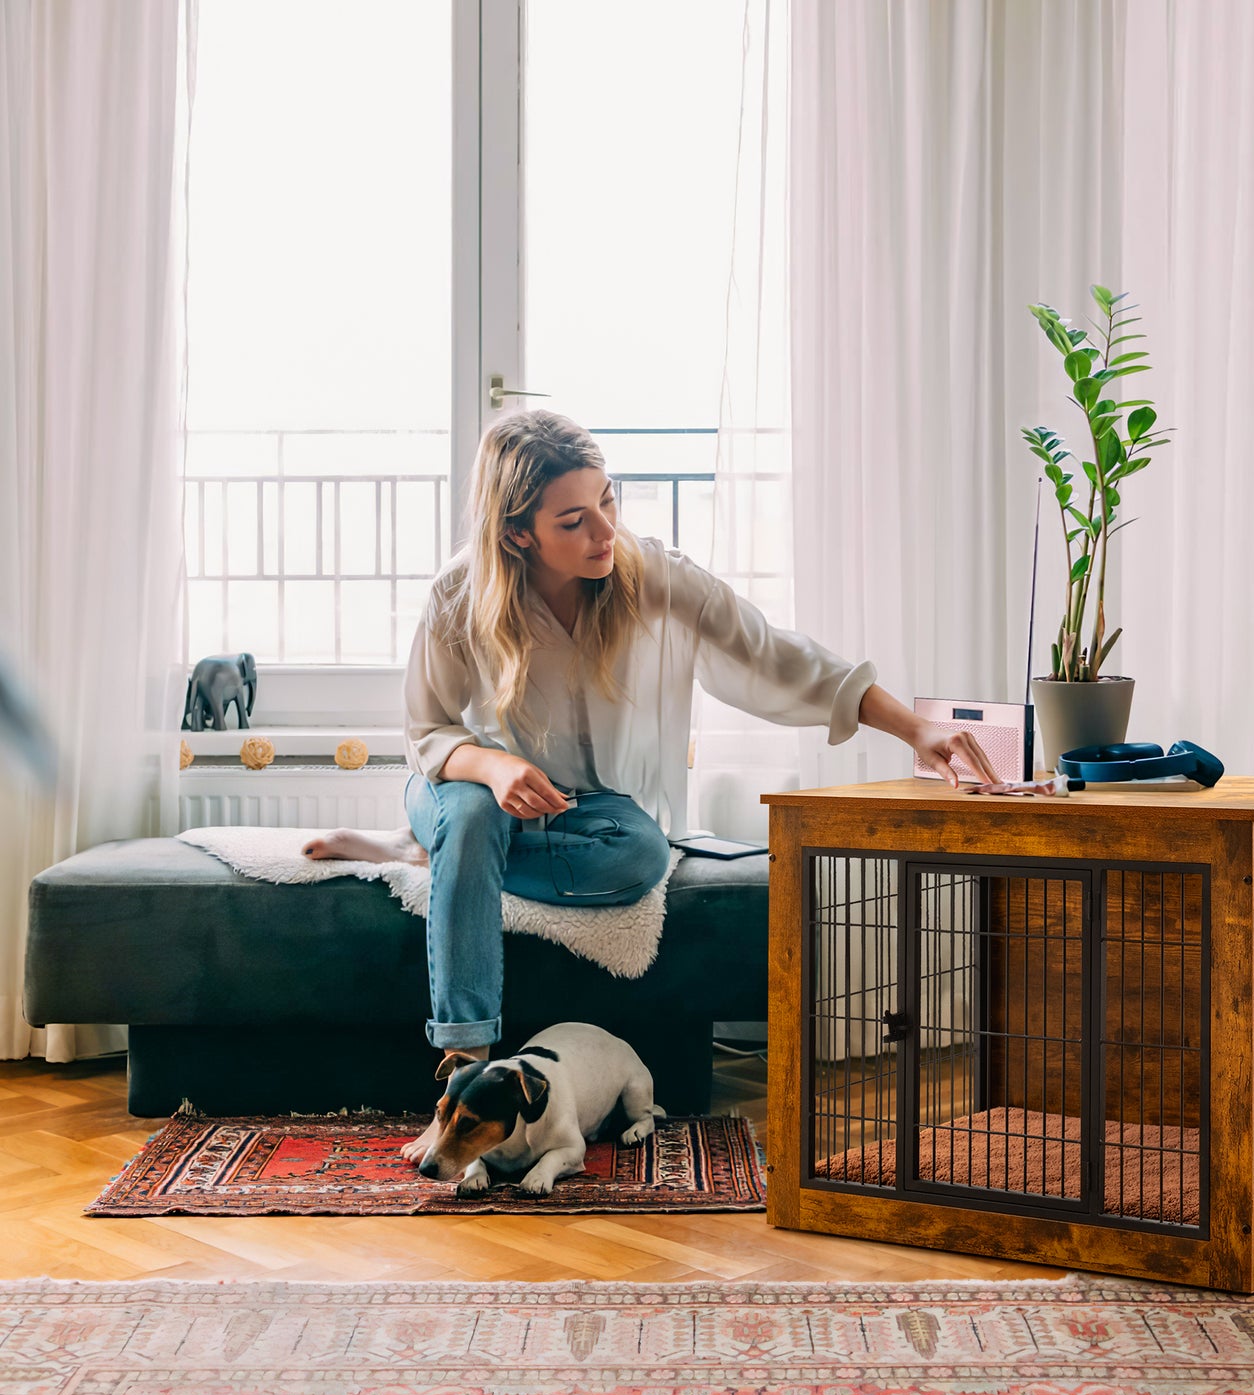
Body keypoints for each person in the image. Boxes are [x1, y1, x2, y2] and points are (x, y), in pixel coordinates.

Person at [303, 410, 996, 1164]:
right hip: (463, 781)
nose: (604, 530)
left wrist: (912, 727)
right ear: (517, 534)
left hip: (589, 813)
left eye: (609, 501)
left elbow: (774, 655)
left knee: (639, 854)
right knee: (470, 818)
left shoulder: (652, 575)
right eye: (575, 519)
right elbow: (428, 732)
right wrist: (495, 767)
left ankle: (437, 859)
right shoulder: (457, 596)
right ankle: (465, 1057)